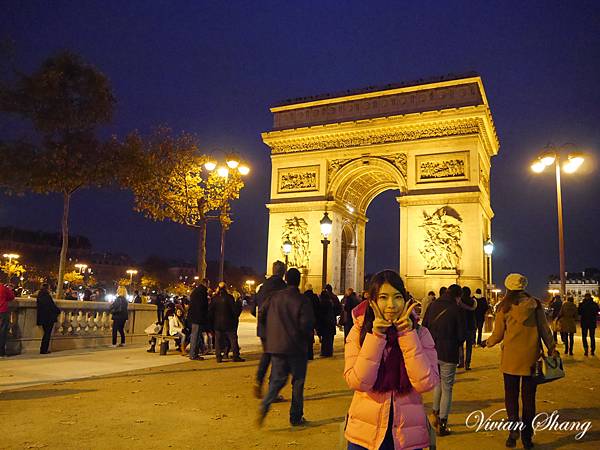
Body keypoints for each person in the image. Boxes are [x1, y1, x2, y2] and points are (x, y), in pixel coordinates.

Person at [343, 270, 439, 450]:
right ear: (372, 301)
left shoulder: (421, 334)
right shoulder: (358, 332)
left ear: (405, 299)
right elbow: (358, 382)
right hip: (364, 435)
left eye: (397, 297)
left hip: (407, 437)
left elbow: (426, 384)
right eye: (383, 297)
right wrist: (376, 337)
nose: (391, 305)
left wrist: (408, 335)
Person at [482, 273, 555, 449]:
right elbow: (544, 328)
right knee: (529, 399)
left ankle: (513, 430)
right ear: (524, 286)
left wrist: (488, 342)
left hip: (510, 359)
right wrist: (551, 346)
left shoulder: (503, 307)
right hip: (531, 358)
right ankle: (527, 436)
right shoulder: (536, 305)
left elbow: (498, 335)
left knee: (511, 396)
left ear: (508, 287)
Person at [257, 268, 315, 427]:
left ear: (286, 279)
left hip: (277, 346)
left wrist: (271, 331)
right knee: (298, 382)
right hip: (296, 347)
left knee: (277, 380)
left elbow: (261, 313)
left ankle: (265, 404)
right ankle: (296, 417)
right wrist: (305, 337)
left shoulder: (274, 297)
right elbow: (307, 324)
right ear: (298, 281)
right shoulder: (302, 300)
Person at [422, 283, 464, 436]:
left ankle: (434, 412)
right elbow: (461, 335)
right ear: (457, 296)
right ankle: (443, 423)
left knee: (437, 384)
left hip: (433, 352)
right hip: (449, 353)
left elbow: (424, 326)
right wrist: (456, 344)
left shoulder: (432, 306)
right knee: (447, 387)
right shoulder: (457, 309)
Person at [252, 261, 286, 398]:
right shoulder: (283, 287)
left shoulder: (262, 287)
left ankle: (258, 380)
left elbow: (253, 308)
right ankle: (273, 392)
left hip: (263, 327)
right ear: (283, 272)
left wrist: (262, 320)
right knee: (278, 358)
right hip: (277, 328)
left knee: (267, 354)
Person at [208, 282, 244, 362]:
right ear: (225, 288)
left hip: (217, 323)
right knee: (233, 339)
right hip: (229, 323)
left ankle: (218, 357)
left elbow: (210, 312)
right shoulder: (229, 297)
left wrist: (211, 322)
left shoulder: (214, 298)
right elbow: (234, 311)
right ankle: (235, 356)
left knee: (218, 340)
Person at [36, 284, 61, 354]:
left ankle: (43, 349)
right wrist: (58, 311)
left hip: (42, 317)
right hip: (48, 318)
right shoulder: (47, 296)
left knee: (45, 333)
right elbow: (51, 306)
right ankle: (44, 349)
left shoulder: (40, 296)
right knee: (47, 334)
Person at [188, 282, 209, 360]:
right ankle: (193, 354)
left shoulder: (196, 291)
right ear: (206, 284)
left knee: (195, 336)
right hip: (198, 318)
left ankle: (194, 353)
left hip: (194, 317)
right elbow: (203, 306)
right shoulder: (202, 292)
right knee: (195, 336)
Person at [458, 286, 477, 370]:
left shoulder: (459, 302)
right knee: (469, 347)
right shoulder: (473, 301)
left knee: (460, 345)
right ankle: (467, 364)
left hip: (462, 326)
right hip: (471, 325)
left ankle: (461, 362)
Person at [317, 289, 337, 357]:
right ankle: (329, 352)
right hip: (331, 322)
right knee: (330, 339)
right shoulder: (330, 302)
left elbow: (321, 314)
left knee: (325, 339)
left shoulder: (322, 303)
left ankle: (325, 352)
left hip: (325, 323)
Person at [303, 284, 320, 360]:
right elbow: (318, 307)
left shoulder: (304, 296)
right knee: (310, 335)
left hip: (305, 319)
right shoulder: (315, 296)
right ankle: (310, 354)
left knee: (305, 337)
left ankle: (306, 354)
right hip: (313, 318)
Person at [0, 283, 15, 357]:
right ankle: (1, 352)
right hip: (2, 311)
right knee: (2, 332)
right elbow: (11, 297)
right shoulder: (3, 288)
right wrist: (9, 289)